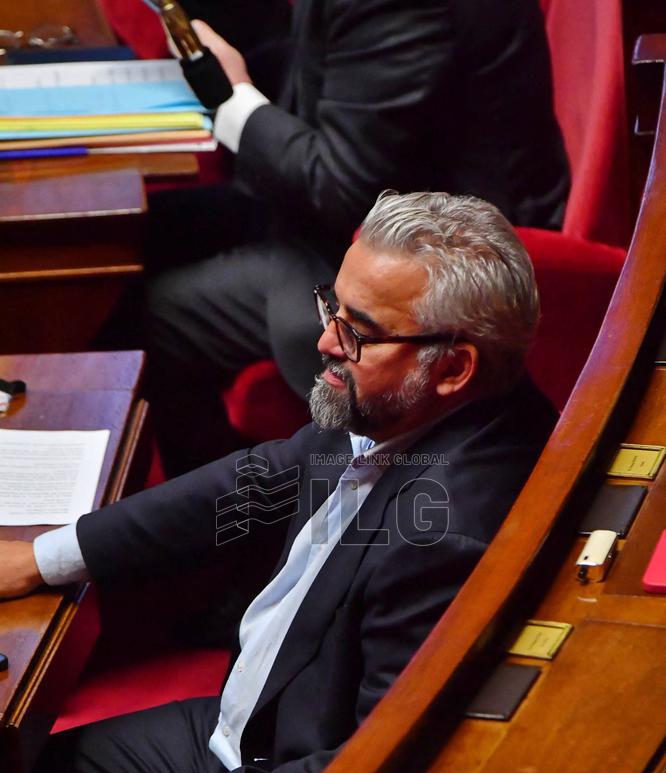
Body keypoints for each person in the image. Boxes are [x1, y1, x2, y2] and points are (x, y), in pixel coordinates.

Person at [0, 191, 557, 773]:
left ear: (454, 366)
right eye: (334, 305)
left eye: (357, 332)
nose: (324, 340)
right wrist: (40, 556)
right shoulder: (393, 408)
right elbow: (257, 478)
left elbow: (385, 760)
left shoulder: (453, 532)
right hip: (240, 729)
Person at [105, 0, 569, 475]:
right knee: (136, 234)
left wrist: (231, 98)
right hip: (358, 201)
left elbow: (339, 186)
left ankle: (235, 533)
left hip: (431, 261)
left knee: (147, 315)